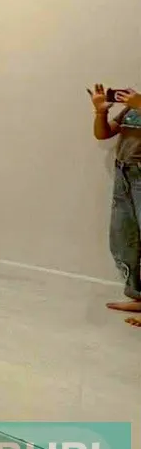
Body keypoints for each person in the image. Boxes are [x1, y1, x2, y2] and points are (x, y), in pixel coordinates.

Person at [90, 83, 141, 327]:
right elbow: (103, 134)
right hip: (125, 175)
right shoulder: (132, 105)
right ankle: (138, 296)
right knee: (125, 238)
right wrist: (100, 111)